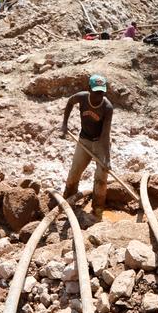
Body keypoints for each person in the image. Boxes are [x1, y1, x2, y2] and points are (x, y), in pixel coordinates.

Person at [61, 74, 113, 218]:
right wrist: (65, 124)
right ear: (89, 88)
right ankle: (68, 204)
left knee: (101, 177)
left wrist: (106, 160)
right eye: (96, 91)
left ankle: (97, 210)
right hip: (84, 140)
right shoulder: (82, 97)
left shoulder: (107, 107)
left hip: (100, 143)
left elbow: (105, 134)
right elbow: (70, 102)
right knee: (74, 173)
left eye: (101, 92)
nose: (99, 95)